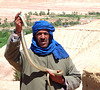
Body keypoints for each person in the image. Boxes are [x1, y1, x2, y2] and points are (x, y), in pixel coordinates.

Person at [4, 12, 81, 90]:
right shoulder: (27, 56)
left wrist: (62, 80)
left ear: (50, 35)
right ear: (35, 37)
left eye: (45, 33)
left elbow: (76, 78)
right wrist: (17, 31)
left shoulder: (61, 56)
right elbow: (10, 55)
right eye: (39, 34)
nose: (42, 37)